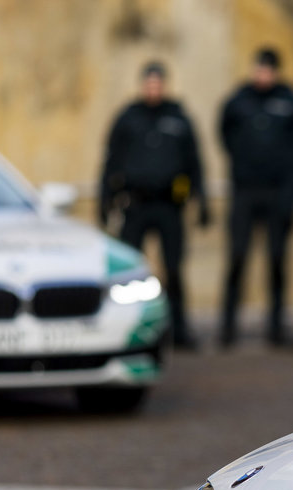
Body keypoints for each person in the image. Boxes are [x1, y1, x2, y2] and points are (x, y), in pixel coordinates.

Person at [98, 62, 210, 349]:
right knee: (129, 273)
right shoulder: (128, 118)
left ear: (164, 85)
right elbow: (111, 161)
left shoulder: (179, 118)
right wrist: (104, 201)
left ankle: (179, 330)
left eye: (157, 83)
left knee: (173, 269)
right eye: (148, 83)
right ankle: (127, 331)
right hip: (135, 206)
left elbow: (194, 163)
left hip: (169, 206)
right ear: (142, 85)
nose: (153, 88)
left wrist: (202, 202)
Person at [218, 48, 293, 347]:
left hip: (278, 191)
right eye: (259, 69)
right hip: (245, 191)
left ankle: (277, 327)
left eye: (268, 70)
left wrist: (290, 189)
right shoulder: (238, 100)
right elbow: (225, 133)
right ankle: (228, 326)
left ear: (276, 72)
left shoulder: (291, 101)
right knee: (238, 257)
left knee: (277, 259)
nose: (263, 75)